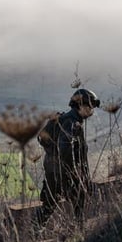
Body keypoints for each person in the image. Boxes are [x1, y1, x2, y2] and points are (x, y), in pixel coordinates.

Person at [36, 88, 99, 228]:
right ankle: (79, 232)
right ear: (81, 105)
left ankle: (32, 233)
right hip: (64, 171)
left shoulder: (64, 119)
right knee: (79, 200)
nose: (92, 110)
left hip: (52, 169)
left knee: (50, 204)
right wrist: (72, 172)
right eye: (91, 106)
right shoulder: (72, 123)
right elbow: (64, 147)